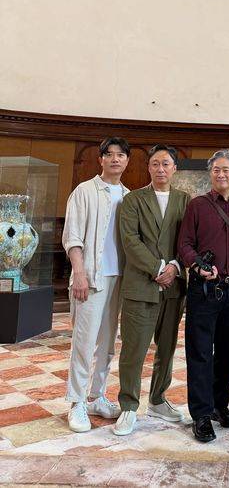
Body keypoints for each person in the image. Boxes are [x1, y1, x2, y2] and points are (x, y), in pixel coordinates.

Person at [113, 145, 189, 436]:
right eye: (155, 163)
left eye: (166, 163)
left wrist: (175, 267)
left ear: (174, 168)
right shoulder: (133, 200)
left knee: (166, 349)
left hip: (173, 287)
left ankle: (158, 400)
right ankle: (128, 406)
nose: (160, 169)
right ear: (148, 167)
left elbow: (189, 239)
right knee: (134, 350)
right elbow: (130, 241)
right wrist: (158, 268)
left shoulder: (184, 200)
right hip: (141, 286)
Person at [178, 149, 229, 443]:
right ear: (210, 174)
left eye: (226, 170)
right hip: (204, 289)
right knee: (199, 351)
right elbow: (185, 243)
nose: (221, 174)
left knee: (228, 352)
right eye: (216, 170)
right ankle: (200, 413)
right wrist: (197, 265)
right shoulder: (197, 205)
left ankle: (219, 404)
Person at [63, 137, 130, 433]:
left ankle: (96, 396)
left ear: (127, 160)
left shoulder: (129, 196)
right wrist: (79, 273)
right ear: (100, 159)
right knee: (84, 342)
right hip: (90, 277)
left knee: (107, 343)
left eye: (120, 155)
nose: (115, 159)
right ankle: (76, 402)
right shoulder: (84, 191)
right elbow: (72, 236)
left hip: (119, 278)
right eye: (109, 154)